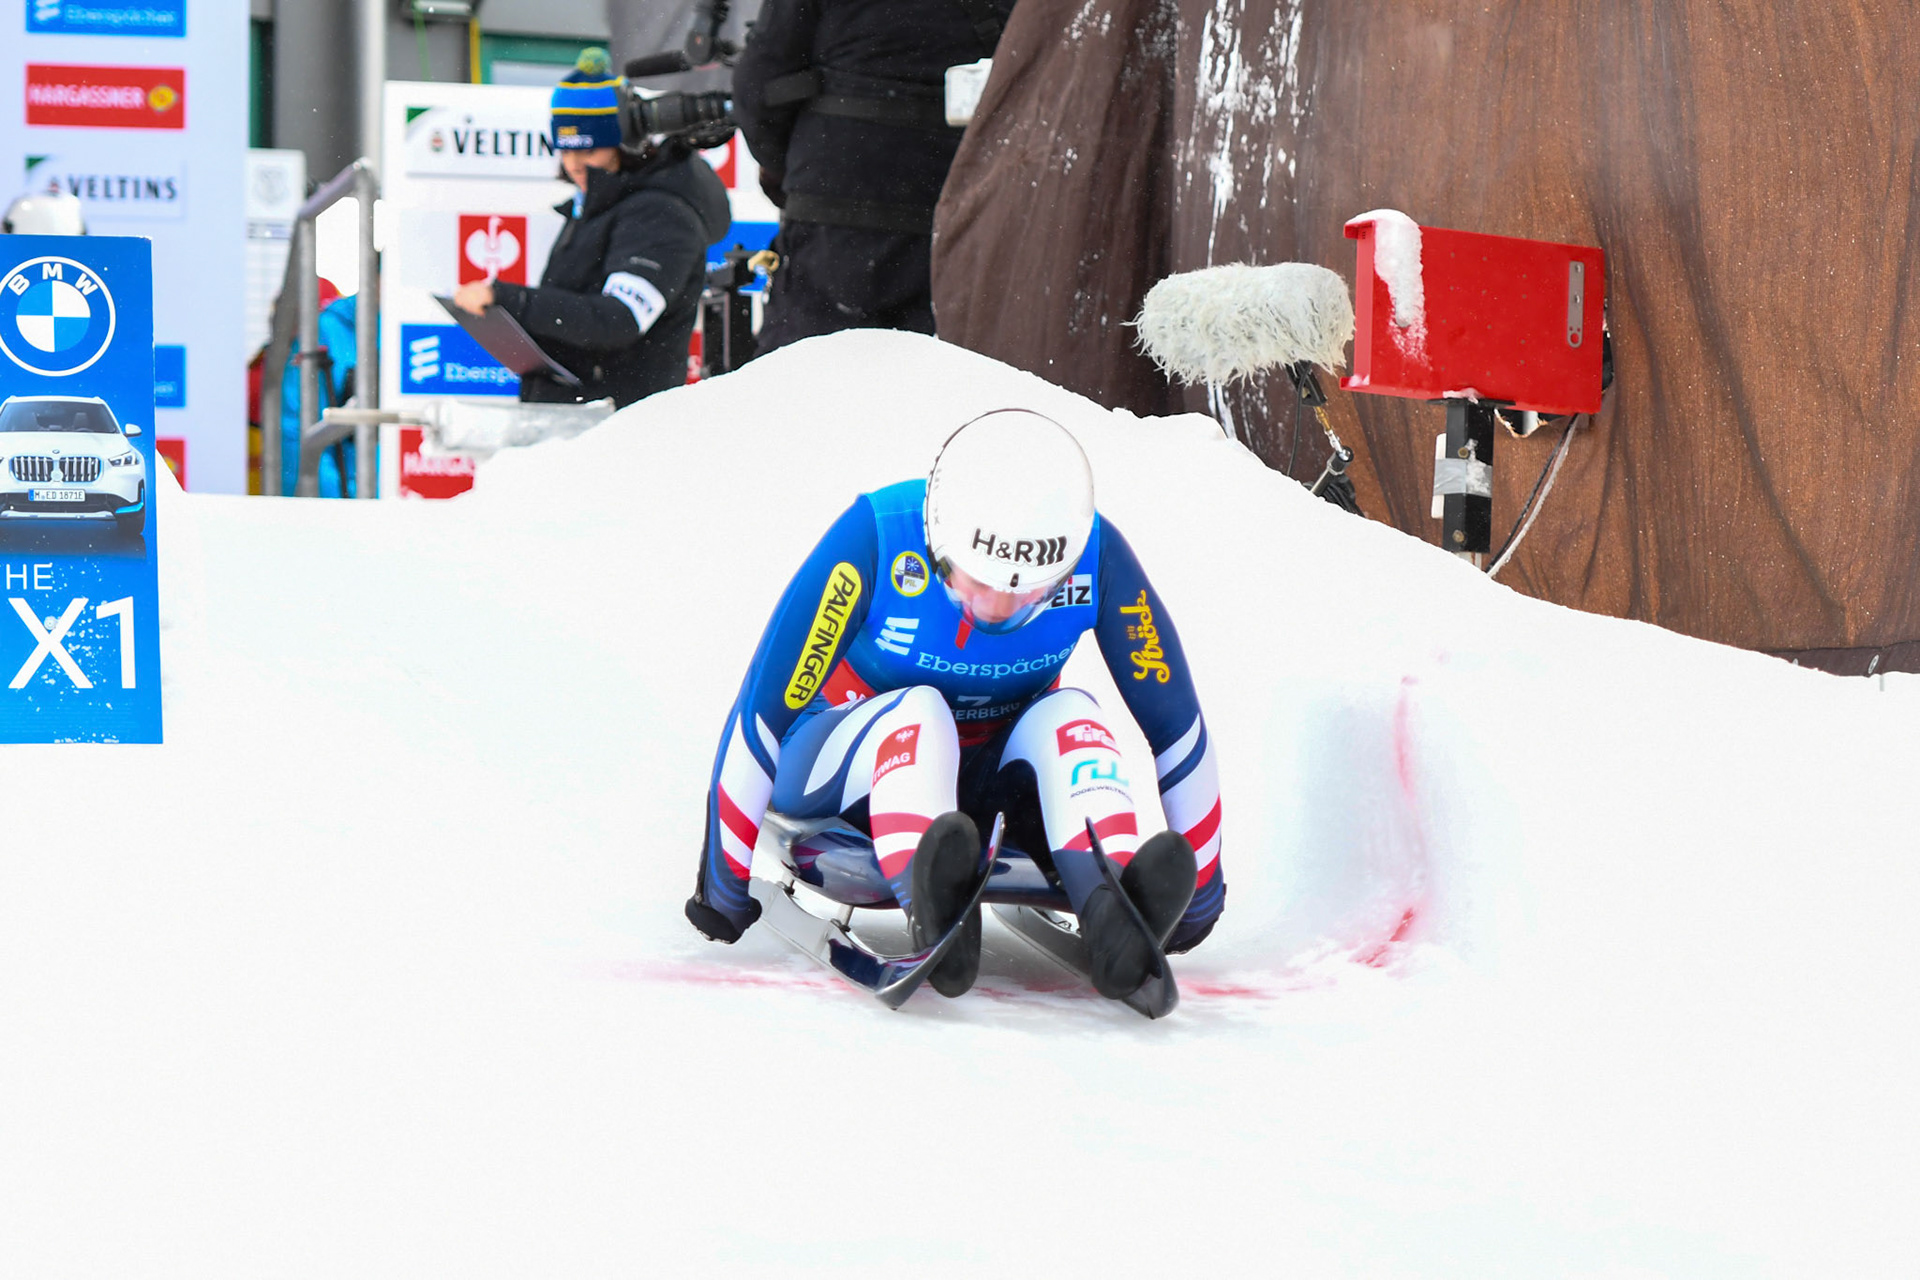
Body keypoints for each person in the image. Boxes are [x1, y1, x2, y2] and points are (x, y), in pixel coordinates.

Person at [685, 409, 1226, 1003]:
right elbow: (763, 709)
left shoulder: (1098, 556)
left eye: (1028, 592)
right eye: (977, 580)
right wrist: (723, 883)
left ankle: (1113, 907)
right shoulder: (877, 534)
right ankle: (935, 906)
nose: (997, 607)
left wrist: (1201, 890)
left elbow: (1175, 722)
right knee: (921, 710)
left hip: (987, 778)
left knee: (1072, 714)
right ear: (938, 543)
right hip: (839, 762)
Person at [730, 0, 1014, 354]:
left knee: (811, 371)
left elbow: (759, 87)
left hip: (836, 215)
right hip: (967, 218)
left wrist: (782, 168)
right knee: (956, 374)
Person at [452, 49, 730, 407]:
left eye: (589, 151)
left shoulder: (661, 215)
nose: (574, 165)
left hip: (621, 424)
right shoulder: (593, 207)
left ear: (624, 145)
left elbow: (618, 320)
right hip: (579, 418)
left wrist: (508, 299)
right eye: (566, 151)